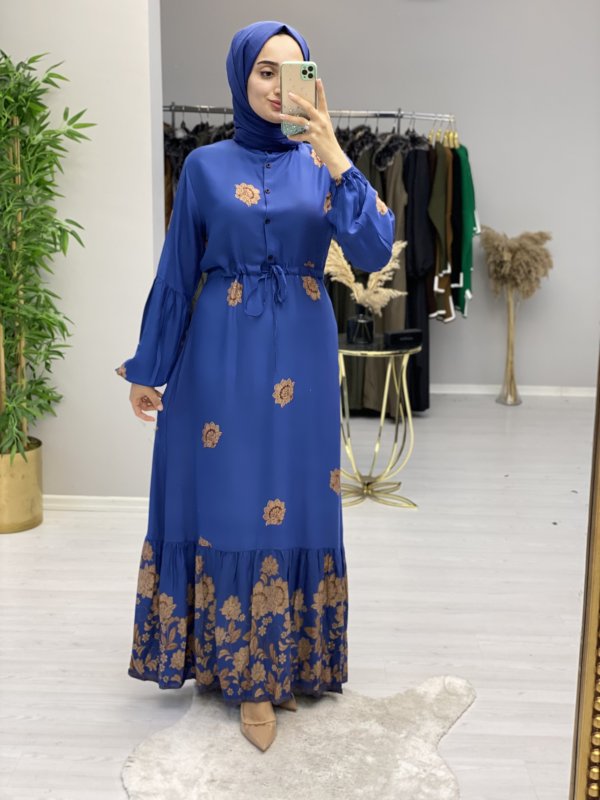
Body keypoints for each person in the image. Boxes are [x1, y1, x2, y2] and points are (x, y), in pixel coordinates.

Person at [115, 19, 394, 752]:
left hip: (303, 358)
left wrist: (334, 151)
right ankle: (247, 678)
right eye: (264, 71)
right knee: (235, 501)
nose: (277, 86)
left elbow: (371, 249)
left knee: (298, 499)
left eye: (293, 71)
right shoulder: (204, 167)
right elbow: (177, 273)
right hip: (221, 356)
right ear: (241, 77)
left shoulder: (323, 166)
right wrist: (149, 367)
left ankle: (290, 659)